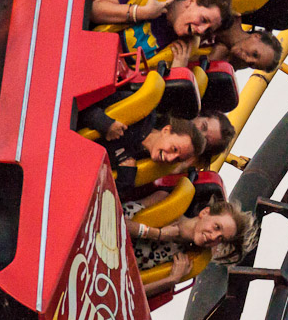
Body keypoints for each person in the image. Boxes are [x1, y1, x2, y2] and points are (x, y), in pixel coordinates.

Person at [91, 0, 233, 59]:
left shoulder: (178, 47)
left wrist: (176, 70)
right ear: (191, 2)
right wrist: (142, 13)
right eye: (203, 19)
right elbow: (92, 9)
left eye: (207, 30)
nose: (201, 30)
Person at [125, 198, 256, 297]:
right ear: (205, 213)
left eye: (221, 239)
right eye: (217, 227)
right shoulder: (166, 202)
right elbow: (110, 214)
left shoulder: (183, 261)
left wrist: (171, 280)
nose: (214, 237)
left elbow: (129, 294)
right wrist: (157, 234)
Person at [84, 112, 205, 195]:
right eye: (174, 149)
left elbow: (105, 200)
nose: (170, 158)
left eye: (177, 160)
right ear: (166, 130)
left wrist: (126, 179)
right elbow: (76, 100)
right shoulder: (142, 114)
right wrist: (105, 122)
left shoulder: (146, 169)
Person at [207, 21, 283, 72]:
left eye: (251, 65)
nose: (247, 60)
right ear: (256, 36)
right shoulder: (224, 13)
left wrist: (213, 63)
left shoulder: (221, 63)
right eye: (255, 54)